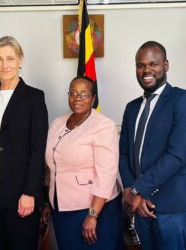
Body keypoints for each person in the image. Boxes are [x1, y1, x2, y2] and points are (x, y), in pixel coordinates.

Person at [0, 36, 48, 250]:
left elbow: (37, 148)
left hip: (21, 192)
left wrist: (30, 192)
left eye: (10, 58)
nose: (5, 65)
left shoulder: (34, 97)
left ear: (20, 60)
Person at [43, 76, 123, 250]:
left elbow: (106, 174)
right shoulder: (57, 123)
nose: (77, 98)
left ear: (93, 98)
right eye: (72, 93)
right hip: (62, 209)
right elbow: (53, 166)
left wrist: (93, 215)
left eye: (84, 94)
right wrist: (49, 202)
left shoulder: (103, 125)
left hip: (94, 209)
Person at [120, 41, 186, 249]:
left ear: (165, 65)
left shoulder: (181, 100)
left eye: (153, 64)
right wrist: (131, 191)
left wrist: (138, 189)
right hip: (140, 208)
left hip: (171, 209)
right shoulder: (131, 108)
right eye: (140, 65)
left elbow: (177, 156)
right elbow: (123, 154)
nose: (146, 70)